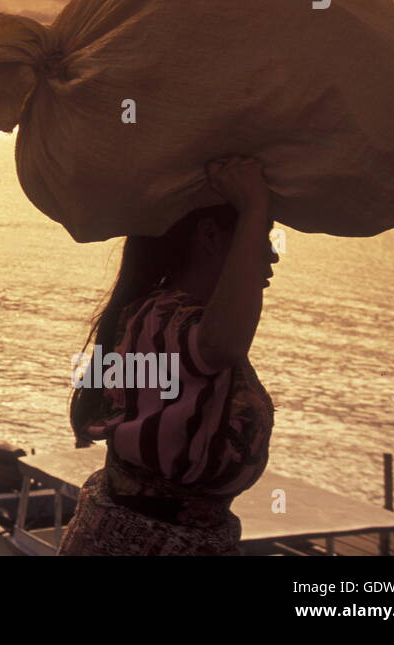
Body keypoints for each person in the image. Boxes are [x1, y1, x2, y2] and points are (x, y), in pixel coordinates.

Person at [60, 156, 278, 555]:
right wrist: (254, 205)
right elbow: (222, 345)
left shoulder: (165, 316)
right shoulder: (161, 318)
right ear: (211, 237)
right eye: (261, 236)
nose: (272, 256)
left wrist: (251, 211)